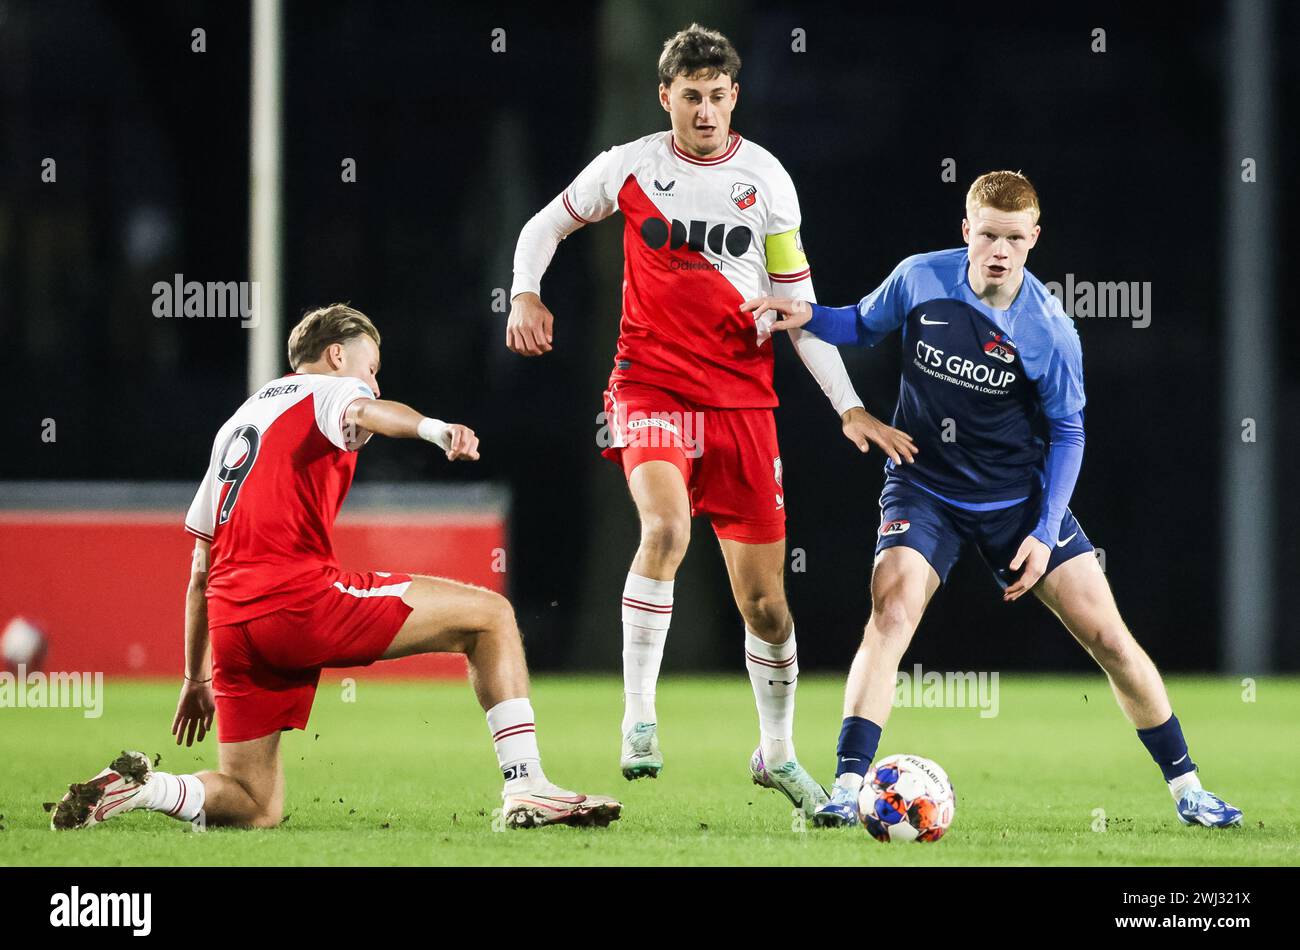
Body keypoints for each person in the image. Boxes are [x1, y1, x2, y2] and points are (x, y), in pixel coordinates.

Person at [740, 171, 1243, 829]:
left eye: (1013, 237)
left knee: (1110, 639)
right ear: (966, 233)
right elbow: (864, 324)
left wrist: (1045, 530)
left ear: (1034, 238)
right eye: (987, 235)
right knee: (891, 610)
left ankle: (1188, 791)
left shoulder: (1050, 329)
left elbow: (1068, 431)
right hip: (922, 485)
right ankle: (847, 783)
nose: (999, 250)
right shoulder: (921, 277)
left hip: (1016, 502)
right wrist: (813, 316)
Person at [507, 23, 913, 816]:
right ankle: (639, 717)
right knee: (664, 530)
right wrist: (526, 292)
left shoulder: (766, 181)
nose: (704, 110)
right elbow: (542, 226)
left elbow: (797, 310)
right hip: (650, 388)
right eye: (690, 96)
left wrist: (850, 405)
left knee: (766, 604)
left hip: (743, 407)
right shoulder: (630, 166)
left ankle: (778, 754)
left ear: (735, 97)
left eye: (717, 96)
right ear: (666, 97)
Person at [50, 304, 621, 831]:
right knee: (491, 616)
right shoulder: (328, 389)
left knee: (254, 803)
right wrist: (434, 429)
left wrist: (196, 677)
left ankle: (143, 789)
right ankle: (528, 788)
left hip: (233, 625)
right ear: (337, 355)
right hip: (295, 601)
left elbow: (200, 568)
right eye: (371, 367)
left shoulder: (238, 423)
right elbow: (367, 408)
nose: (372, 382)